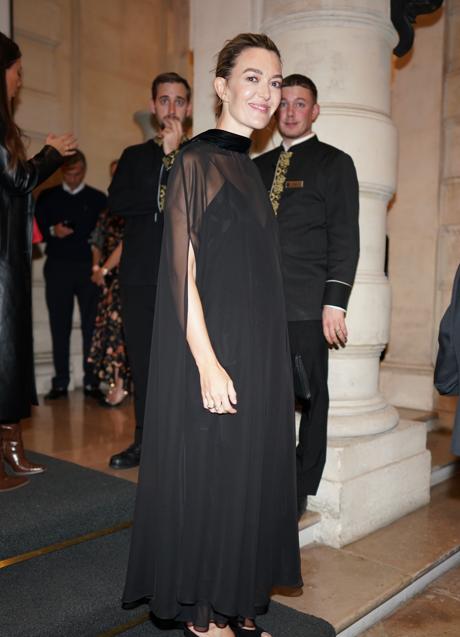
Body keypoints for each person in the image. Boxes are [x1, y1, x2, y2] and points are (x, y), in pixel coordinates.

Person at [122, 33, 302, 637]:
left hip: (257, 349)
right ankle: (206, 618)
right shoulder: (196, 162)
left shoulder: (250, 168)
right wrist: (207, 361)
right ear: (221, 86)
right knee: (213, 476)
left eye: (275, 82)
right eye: (252, 78)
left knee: (246, 478)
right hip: (215, 346)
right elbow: (182, 272)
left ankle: (236, 604)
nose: (267, 93)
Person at [254, 74, 360, 519]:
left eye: (301, 104)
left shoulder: (334, 163)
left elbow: (346, 237)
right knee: (266, 399)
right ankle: (266, 477)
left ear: (314, 111)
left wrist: (334, 302)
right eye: (285, 104)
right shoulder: (255, 167)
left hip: (305, 307)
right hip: (258, 308)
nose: (291, 111)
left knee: (312, 399)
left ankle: (300, 486)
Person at [0, 31, 77, 492]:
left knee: (8, 355)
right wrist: (50, 154)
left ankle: (10, 447)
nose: (19, 82)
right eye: (16, 73)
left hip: (6, 257)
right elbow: (17, 177)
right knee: (5, 353)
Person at [107, 72, 191, 469]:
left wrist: (175, 156)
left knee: (184, 363)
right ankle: (144, 441)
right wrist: (162, 169)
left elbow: (195, 208)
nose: (171, 108)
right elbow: (119, 202)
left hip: (187, 277)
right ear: (154, 105)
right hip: (140, 274)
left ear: (188, 108)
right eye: (164, 100)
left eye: (178, 101)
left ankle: (183, 442)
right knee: (143, 362)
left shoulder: (200, 156)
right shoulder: (134, 156)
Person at [35, 150, 107, 400]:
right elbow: (36, 230)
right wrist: (53, 230)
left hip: (88, 269)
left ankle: (91, 380)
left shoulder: (98, 199)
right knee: (59, 325)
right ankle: (60, 382)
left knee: (91, 325)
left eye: (77, 174)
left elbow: (105, 235)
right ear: (62, 172)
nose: (73, 179)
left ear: (84, 171)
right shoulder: (47, 197)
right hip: (57, 266)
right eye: (68, 173)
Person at [88, 160, 131, 407]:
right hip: (108, 279)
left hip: (125, 276)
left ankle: (121, 385)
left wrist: (104, 269)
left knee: (118, 330)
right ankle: (116, 383)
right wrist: (97, 269)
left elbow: (125, 245)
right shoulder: (109, 207)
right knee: (110, 329)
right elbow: (97, 239)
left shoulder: (131, 205)